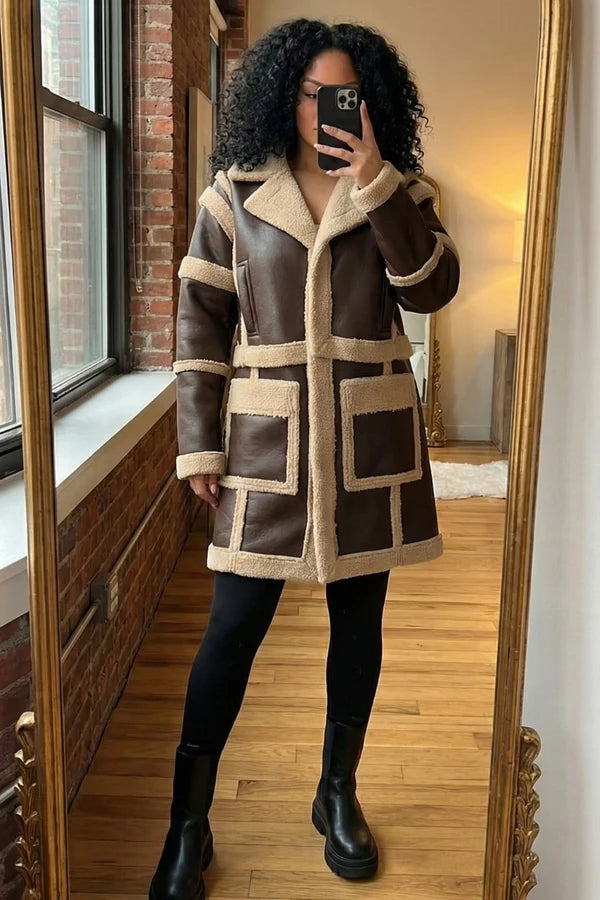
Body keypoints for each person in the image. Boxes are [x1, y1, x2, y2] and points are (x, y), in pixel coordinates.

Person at [149, 17, 460, 900]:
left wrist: (376, 182)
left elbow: (431, 290)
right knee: (230, 632)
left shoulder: (401, 191)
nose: (324, 109)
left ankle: (336, 792)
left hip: (367, 443)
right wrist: (198, 441)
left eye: (341, 94)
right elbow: (199, 327)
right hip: (267, 443)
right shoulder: (232, 197)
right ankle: (187, 825)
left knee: (359, 629)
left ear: (369, 101)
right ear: (283, 98)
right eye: (309, 93)